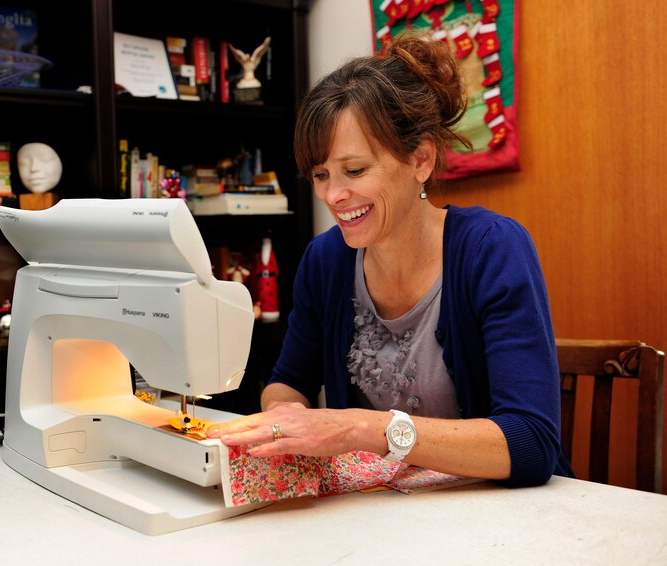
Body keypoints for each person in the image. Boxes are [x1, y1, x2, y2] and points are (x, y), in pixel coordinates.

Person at [207, 32, 573, 488]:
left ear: (420, 159)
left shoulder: (492, 249)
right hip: (387, 512)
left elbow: (532, 442)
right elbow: (288, 381)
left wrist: (360, 428)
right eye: (320, 175)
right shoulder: (326, 260)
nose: (333, 196)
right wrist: (287, 420)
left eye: (355, 171)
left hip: (499, 517)